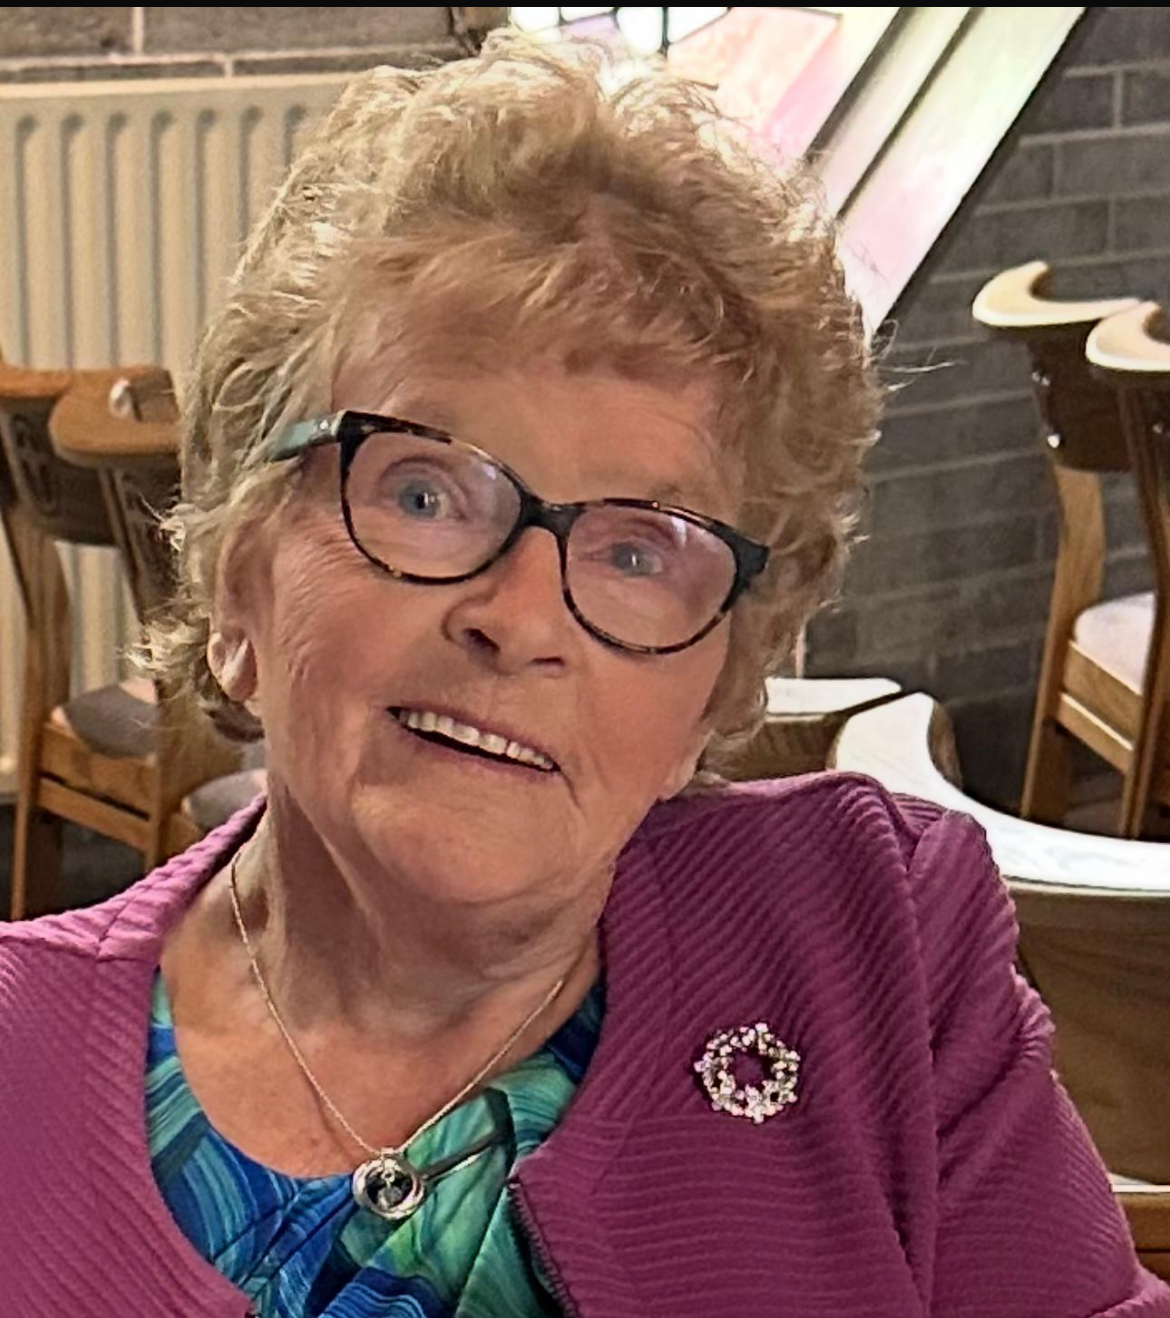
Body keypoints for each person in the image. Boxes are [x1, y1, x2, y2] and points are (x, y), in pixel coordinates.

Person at [1, 31, 1166, 1318]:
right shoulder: (17, 1061)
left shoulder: (873, 947)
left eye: (636, 551)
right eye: (426, 492)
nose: (520, 617)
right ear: (238, 581)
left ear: (713, 691)